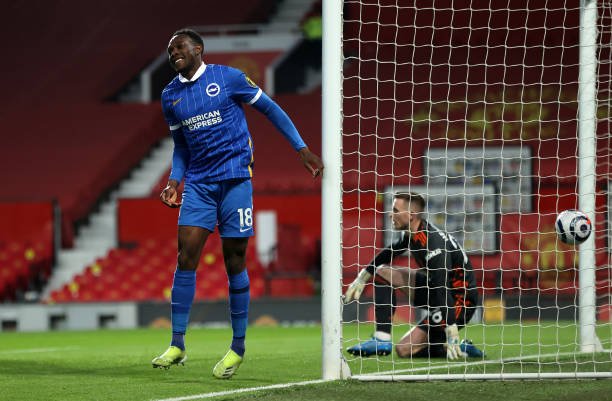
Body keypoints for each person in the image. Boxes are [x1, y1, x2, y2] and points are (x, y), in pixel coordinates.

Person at [151, 29, 324, 379]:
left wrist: (301, 149)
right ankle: (177, 343)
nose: (173, 54)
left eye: (179, 47)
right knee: (186, 256)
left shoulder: (227, 78)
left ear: (198, 49)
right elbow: (181, 146)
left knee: (234, 260)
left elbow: (271, 110)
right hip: (198, 184)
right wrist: (173, 181)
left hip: (235, 179)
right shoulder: (170, 95)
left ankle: (238, 347)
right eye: (169, 51)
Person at [344, 192, 484, 359]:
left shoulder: (433, 245)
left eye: (395, 210)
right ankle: (381, 338)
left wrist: (451, 329)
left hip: (459, 302)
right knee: (382, 272)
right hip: (437, 291)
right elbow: (389, 252)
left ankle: (462, 347)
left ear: (411, 215)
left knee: (404, 350)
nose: (390, 214)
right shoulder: (411, 234)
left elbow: (441, 288)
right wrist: (363, 276)